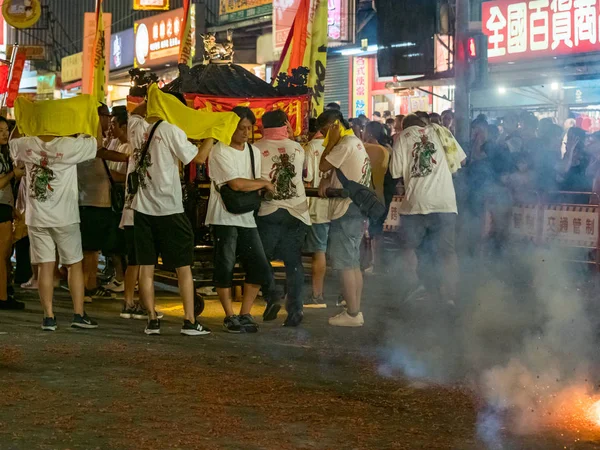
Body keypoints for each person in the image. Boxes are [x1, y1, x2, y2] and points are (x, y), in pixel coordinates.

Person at [128, 96, 213, 336]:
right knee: (183, 267)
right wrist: (212, 135)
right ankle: (189, 320)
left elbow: (135, 111)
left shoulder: (136, 127)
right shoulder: (169, 129)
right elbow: (197, 158)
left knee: (146, 267)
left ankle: (152, 319)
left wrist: (152, 96)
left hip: (142, 208)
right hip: (169, 209)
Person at [9, 119, 106, 330]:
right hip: (66, 217)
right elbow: (96, 144)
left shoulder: (28, 144)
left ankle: (48, 317)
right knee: (73, 265)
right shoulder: (68, 145)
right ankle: (78, 314)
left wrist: (23, 119)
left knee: (45, 266)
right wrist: (94, 118)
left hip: (37, 218)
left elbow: (12, 142)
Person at [206, 106, 274, 333]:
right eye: (241, 128)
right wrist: (263, 183)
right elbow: (235, 184)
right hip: (223, 216)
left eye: (249, 128)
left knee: (259, 266)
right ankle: (229, 314)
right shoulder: (219, 150)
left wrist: (258, 183)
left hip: (246, 216)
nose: (245, 132)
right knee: (224, 266)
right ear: (230, 127)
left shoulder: (253, 151)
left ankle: (245, 313)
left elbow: (248, 181)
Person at [391, 114, 466, 306]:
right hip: (445, 203)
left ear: (405, 126)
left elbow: (395, 171)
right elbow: (460, 161)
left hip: (416, 203)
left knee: (409, 247)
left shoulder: (403, 137)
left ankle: (415, 285)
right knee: (447, 252)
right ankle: (450, 295)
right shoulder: (442, 132)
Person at [254, 110, 310, 327]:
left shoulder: (256, 148)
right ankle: (296, 310)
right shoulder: (297, 148)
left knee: (261, 257)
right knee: (293, 262)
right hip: (297, 211)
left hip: (270, 210)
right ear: (286, 125)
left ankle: (271, 294)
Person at [317, 110, 370, 327]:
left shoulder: (344, 144)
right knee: (353, 263)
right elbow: (334, 171)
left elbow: (323, 164)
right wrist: (326, 180)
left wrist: (330, 141)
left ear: (334, 125)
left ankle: (353, 313)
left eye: (325, 131)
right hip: (358, 208)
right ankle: (354, 310)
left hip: (347, 209)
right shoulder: (355, 142)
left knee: (346, 264)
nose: (324, 136)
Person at [78, 103, 124, 302]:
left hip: (91, 201)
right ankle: (88, 287)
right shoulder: (89, 139)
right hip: (92, 202)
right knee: (90, 250)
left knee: (91, 249)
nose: (109, 121)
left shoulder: (82, 138)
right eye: (107, 116)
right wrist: (130, 158)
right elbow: (100, 152)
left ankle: (89, 284)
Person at [304, 121, 329, 309]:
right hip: (338, 207)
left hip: (317, 207)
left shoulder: (311, 147)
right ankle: (344, 295)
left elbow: (308, 178)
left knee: (318, 251)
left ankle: (317, 295)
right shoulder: (340, 144)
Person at [0, 117, 24, 310]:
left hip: (5, 206)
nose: (5, 134)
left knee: (6, 254)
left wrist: (14, 210)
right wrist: (13, 174)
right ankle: (3, 297)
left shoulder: (4, 153)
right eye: (0, 131)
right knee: (2, 254)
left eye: (6, 130)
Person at [362, 121, 391, 274]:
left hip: (365, 195)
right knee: (376, 231)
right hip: (380, 195)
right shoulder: (386, 150)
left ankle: (368, 262)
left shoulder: (365, 148)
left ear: (370, 133)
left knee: (367, 232)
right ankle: (377, 263)